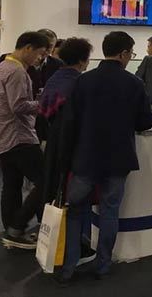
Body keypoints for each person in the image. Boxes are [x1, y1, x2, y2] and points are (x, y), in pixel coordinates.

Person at [58, 32, 152, 285]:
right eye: (130, 53)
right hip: (118, 158)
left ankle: (68, 267)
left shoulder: (83, 81)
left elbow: (70, 123)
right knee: (110, 211)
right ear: (123, 54)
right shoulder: (134, 83)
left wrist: (65, 159)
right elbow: (145, 121)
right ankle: (102, 264)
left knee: (75, 211)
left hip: (85, 157)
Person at [38, 37, 96, 266]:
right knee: (73, 200)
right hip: (73, 145)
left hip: (54, 142)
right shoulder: (79, 84)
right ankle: (71, 251)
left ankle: (58, 247)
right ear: (83, 60)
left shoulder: (55, 78)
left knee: (55, 192)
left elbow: (44, 110)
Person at [0, 31, 50, 249]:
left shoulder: (3, 67)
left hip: (4, 137)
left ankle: (12, 232)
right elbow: (18, 106)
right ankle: (18, 225)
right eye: (40, 53)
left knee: (11, 185)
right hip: (20, 136)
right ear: (28, 47)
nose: (40, 59)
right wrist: (43, 103)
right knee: (46, 181)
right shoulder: (17, 71)